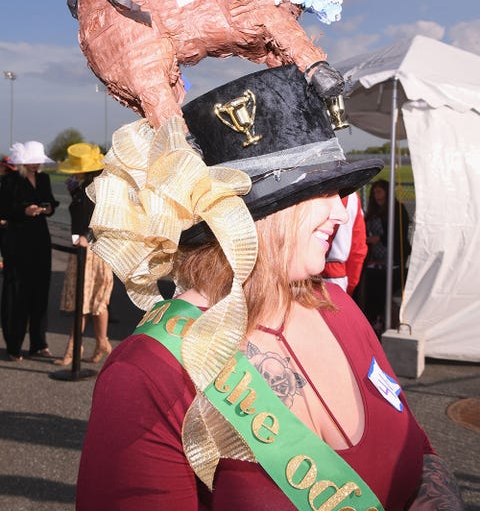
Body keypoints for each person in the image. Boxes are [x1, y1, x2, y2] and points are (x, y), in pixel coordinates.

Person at [76, 65, 463, 511]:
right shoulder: (150, 372)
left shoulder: (337, 306)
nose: (341, 213)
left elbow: (421, 452)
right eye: (324, 190)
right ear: (255, 216)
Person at [54, 143, 114, 365]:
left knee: (88, 301)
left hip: (92, 251)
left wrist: (87, 238)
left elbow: (102, 219)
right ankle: (101, 343)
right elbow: (77, 217)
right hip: (81, 248)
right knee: (93, 302)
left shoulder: (97, 189)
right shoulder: (82, 187)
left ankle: (72, 349)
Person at [0, 141, 58, 361]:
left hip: (40, 241)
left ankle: (38, 343)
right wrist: (24, 210)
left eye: (38, 161)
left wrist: (48, 208)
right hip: (18, 242)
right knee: (17, 294)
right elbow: (4, 208)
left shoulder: (44, 179)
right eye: (31, 161)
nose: (35, 165)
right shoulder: (10, 181)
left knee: (40, 294)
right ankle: (14, 345)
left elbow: (50, 201)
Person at [356, 179, 412, 333]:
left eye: (379, 192)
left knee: (382, 287)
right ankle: (373, 319)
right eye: (374, 193)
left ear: (387, 192)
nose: (376, 195)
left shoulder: (397, 209)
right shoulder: (373, 211)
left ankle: (380, 319)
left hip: (392, 259)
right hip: (375, 258)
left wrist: (380, 238)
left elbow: (399, 234)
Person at [322, 192, 367, 295]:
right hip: (336, 277)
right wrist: (351, 284)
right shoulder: (353, 197)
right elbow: (358, 249)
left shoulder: (306, 184)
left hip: (298, 274)